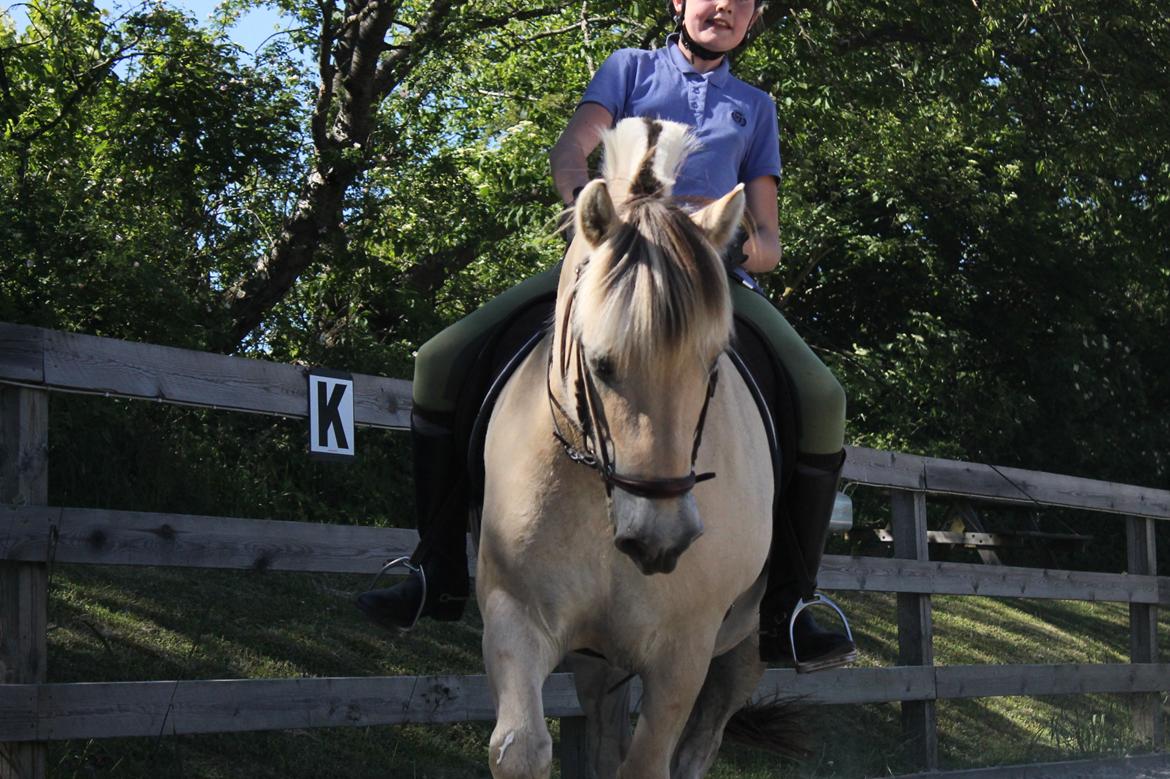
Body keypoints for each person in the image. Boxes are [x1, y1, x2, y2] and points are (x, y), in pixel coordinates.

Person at [357, 0, 856, 672]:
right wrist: (587, 215)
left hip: (707, 283)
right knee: (438, 360)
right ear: (678, 2)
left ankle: (790, 604)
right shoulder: (628, 69)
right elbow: (572, 149)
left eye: (746, 0)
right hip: (610, 263)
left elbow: (768, 240)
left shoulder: (755, 107)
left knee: (823, 398)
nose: (729, 8)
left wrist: (723, 253)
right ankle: (437, 564)